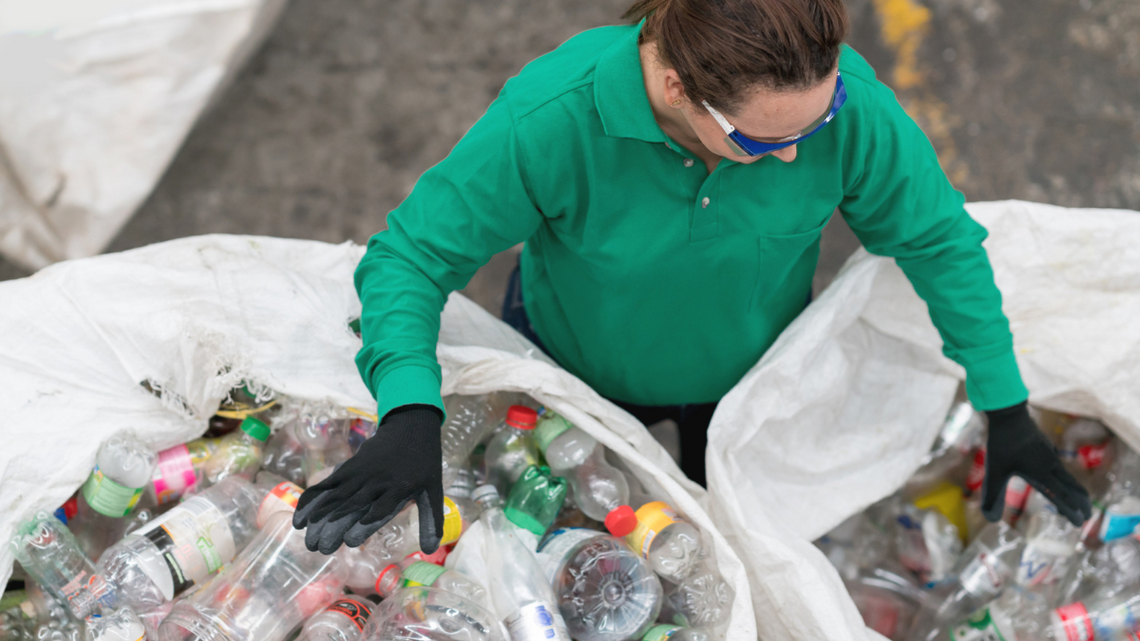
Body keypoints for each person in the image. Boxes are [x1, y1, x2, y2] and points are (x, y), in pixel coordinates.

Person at [293, 0, 1092, 555]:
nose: (794, 153)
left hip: (745, 385)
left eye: (817, 119)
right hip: (576, 372)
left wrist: (1004, 398)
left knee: (722, 543)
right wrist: (408, 409)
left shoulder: (842, 114)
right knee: (584, 542)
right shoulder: (551, 118)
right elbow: (410, 256)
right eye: (763, 140)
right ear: (678, 87)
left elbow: (940, 242)